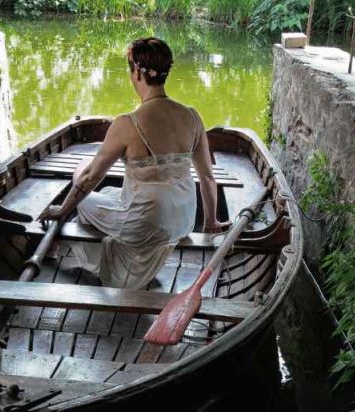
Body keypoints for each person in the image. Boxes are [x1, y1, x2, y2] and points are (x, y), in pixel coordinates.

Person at [37, 37, 229, 290]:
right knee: (107, 193)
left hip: (146, 222)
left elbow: (89, 178)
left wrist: (61, 210)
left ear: (137, 72)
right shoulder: (192, 117)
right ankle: (119, 245)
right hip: (182, 219)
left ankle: (77, 250)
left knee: (82, 198)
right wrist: (210, 222)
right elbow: (207, 177)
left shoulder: (128, 123)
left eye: (130, 68)